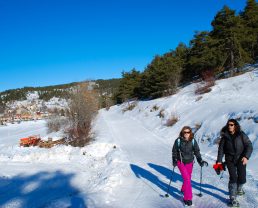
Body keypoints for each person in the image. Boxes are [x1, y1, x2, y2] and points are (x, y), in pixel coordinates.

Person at [216, 119, 253, 207]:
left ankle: (239, 189)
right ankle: (233, 198)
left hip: (241, 158)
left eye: (232, 125)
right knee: (233, 178)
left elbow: (249, 145)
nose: (230, 126)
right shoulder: (224, 137)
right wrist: (219, 162)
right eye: (228, 124)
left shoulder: (241, 135)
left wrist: (246, 157)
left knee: (242, 178)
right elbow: (220, 150)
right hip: (229, 159)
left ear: (235, 125)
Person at [172, 126, 208, 207]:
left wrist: (200, 160)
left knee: (188, 177)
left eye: (188, 132)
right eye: (185, 132)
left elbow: (197, 151)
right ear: (182, 132)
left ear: (190, 133)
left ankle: (183, 189)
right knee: (187, 179)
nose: (186, 134)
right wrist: (174, 160)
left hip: (190, 162)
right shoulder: (178, 141)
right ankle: (187, 198)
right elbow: (174, 151)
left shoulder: (193, 141)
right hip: (180, 162)